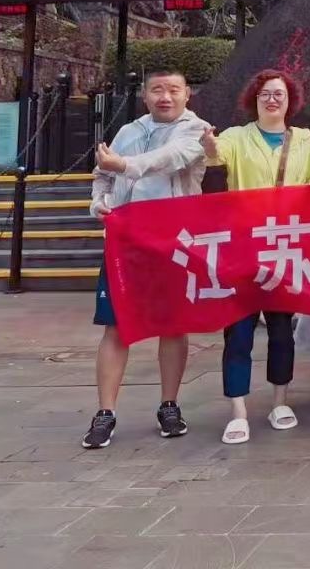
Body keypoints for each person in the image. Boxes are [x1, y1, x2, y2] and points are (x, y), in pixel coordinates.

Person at [202, 69, 310, 445]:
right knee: (238, 331)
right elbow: (215, 167)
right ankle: (238, 410)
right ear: (254, 99)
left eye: (278, 94)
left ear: (289, 100)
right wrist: (211, 151)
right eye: (265, 94)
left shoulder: (305, 140)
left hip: (284, 248)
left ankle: (280, 402)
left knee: (282, 330)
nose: (272, 100)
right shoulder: (235, 137)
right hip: (242, 249)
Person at [82, 69, 208, 449]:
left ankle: (169, 404)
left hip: (173, 240)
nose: (165, 97)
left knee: (172, 325)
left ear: (187, 93)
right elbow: (102, 175)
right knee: (116, 326)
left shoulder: (196, 130)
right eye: (157, 90)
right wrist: (98, 202)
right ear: (144, 94)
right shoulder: (128, 131)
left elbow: (168, 159)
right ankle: (105, 412)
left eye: (173, 90)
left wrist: (124, 165)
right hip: (126, 242)